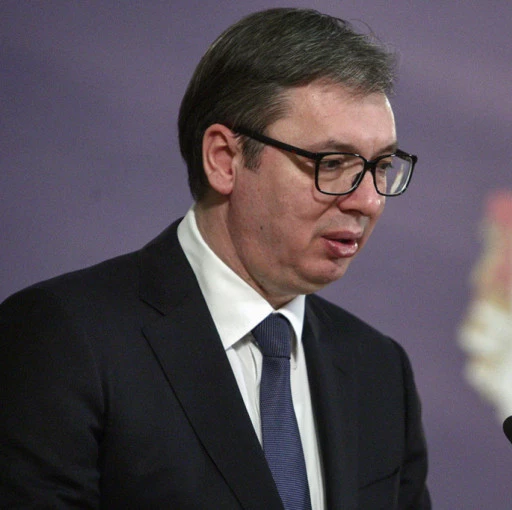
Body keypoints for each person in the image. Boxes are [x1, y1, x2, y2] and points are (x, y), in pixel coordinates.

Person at [0, 8, 430, 509]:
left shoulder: (380, 372)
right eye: (332, 163)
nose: (369, 201)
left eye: (382, 166)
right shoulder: (66, 340)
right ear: (224, 159)